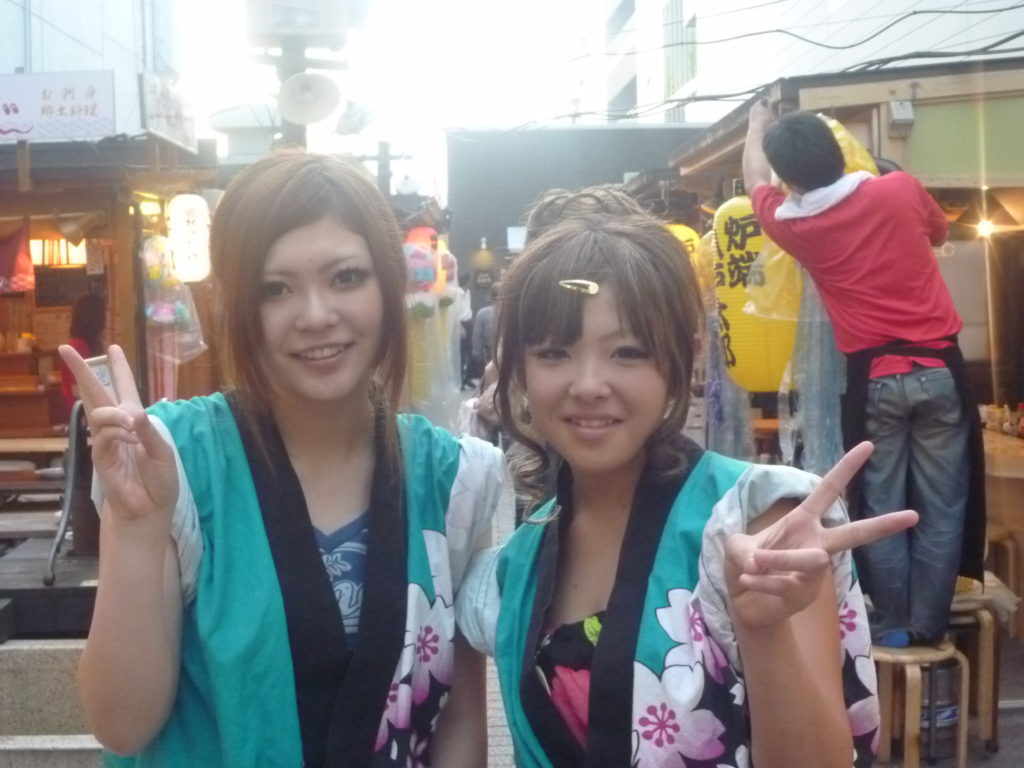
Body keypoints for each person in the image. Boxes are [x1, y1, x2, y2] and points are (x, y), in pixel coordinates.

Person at [59, 152, 504, 767]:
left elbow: (457, 720)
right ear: (236, 305)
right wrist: (137, 527)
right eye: (275, 289)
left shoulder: (453, 480)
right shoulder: (173, 463)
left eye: (346, 277)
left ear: (388, 284)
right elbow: (122, 725)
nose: (316, 316)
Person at [455, 212, 917, 768]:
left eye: (627, 352)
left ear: (684, 358)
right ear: (517, 369)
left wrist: (764, 631)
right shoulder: (518, 564)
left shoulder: (757, 520)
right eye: (554, 352)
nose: (588, 385)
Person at [742, 101, 985, 647]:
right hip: (940, 370)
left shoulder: (795, 224)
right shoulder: (899, 190)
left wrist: (757, 124)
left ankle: (894, 623)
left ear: (790, 179)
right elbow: (938, 229)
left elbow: (754, 176)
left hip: (873, 380)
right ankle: (928, 623)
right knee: (943, 504)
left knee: (880, 506)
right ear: (839, 151)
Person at [59, 292, 105, 420]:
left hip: (88, 408)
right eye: (102, 314)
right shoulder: (77, 345)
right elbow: (76, 389)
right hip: (81, 411)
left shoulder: (87, 344)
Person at [471, 281, 501, 369]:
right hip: (507, 352)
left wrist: (476, 352)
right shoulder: (510, 314)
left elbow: (477, 335)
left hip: (488, 352)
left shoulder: (482, 313)